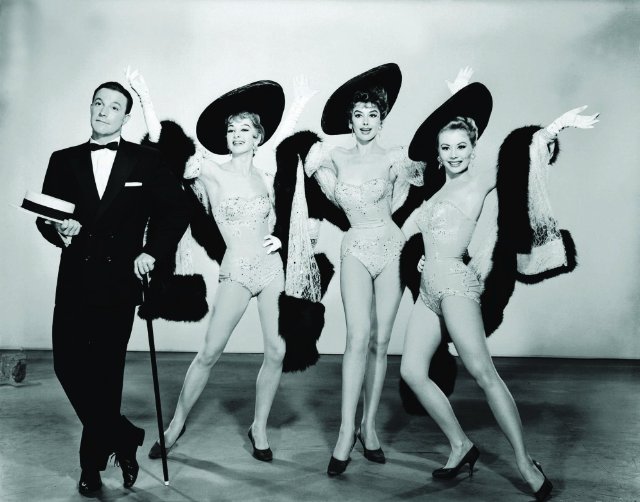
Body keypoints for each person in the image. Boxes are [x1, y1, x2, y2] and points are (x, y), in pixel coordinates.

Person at [400, 79, 598, 501]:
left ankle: (525, 464)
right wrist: (420, 256)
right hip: (427, 290)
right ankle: (460, 445)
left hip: (455, 286)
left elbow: (520, 159)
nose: (454, 154)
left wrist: (554, 129)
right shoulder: (434, 190)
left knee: (483, 373)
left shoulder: (478, 182)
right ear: (438, 152)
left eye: (461, 146)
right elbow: (412, 231)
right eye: (446, 148)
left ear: (473, 148)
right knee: (412, 372)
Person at [127, 72, 318, 462]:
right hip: (237, 271)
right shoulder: (209, 171)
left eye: (245, 129)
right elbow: (165, 146)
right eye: (231, 129)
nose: (236, 135)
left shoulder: (267, 177)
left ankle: (259, 427)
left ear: (258, 137)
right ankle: (175, 426)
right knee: (210, 352)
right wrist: (145, 97)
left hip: (271, 270)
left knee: (277, 352)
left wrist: (281, 238)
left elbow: (292, 197)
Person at [35, 81, 190, 495]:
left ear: (126, 117)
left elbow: (177, 211)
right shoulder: (63, 159)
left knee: (105, 376)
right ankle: (124, 437)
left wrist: (151, 252)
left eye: (114, 106)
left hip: (119, 283)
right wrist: (59, 231)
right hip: (75, 279)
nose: (103, 111)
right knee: (67, 366)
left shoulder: (147, 161)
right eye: (98, 103)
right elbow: (46, 215)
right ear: (91, 108)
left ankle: (90, 467)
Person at [301, 63, 425, 475]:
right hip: (354, 247)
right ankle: (345, 431)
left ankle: (369, 427)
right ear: (349, 120)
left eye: (373, 114)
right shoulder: (332, 157)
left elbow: (416, 188)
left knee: (380, 341)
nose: (366, 121)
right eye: (359, 115)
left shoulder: (395, 157)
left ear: (382, 118)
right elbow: (310, 181)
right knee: (356, 337)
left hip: (390, 247)